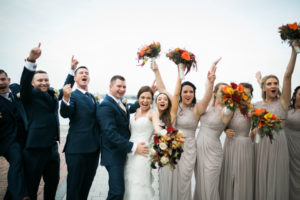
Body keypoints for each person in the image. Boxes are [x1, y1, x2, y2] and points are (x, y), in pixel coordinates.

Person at [20, 43, 76, 200]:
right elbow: (24, 81)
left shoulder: (52, 94)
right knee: (31, 186)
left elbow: (64, 89)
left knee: (52, 184)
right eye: (40, 80)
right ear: (32, 83)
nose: (44, 82)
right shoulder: (28, 96)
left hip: (52, 149)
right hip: (34, 150)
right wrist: (31, 60)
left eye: (46, 80)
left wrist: (72, 71)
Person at [253, 40, 298, 200]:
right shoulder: (256, 105)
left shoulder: (283, 103)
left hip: (278, 144)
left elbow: (287, 75)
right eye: (270, 83)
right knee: (262, 179)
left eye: (276, 83)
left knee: (277, 180)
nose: (274, 85)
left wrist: (294, 50)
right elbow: (252, 130)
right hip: (260, 146)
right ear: (263, 87)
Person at [96, 75, 147, 200]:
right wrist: (133, 147)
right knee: (117, 192)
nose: (122, 89)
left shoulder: (119, 102)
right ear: (110, 87)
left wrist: (147, 93)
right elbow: (110, 133)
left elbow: (130, 108)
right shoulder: (106, 106)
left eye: (124, 87)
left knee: (118, 190)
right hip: (113, 155)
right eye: (118, 86)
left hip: (121, 153)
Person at [60, 66, 101, 200]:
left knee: (86, 186)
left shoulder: (92, 97)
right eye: (81, 73)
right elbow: (65, 113)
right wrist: (65, 99)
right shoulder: (72, 95)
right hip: (77, 150)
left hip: (93, 150)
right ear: (75, 78)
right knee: (74, 187)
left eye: (86, 73)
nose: (84, 75)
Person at [193, 81, 231, 200]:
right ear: (215, 92)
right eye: (222, 90)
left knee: (210, 184)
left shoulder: (228, 109)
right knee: (200, 183)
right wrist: (211, 80)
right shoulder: (208, 104)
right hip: (199, 148)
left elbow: (225, 121)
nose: (224, 93)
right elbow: (207, 88)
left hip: (213, 150)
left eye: (227, 91)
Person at [124, 86, 161, 200]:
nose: (145, 100)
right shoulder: (134, 111)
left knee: (139, 184)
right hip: (130, 152)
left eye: (148, 98)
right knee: (129, 183)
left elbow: (157, 127)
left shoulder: (153, 113)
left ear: (152, 100)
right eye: (142, 97)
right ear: (138, 98)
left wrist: (163, 135)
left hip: (143, 153)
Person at [219, 82, 254, 200]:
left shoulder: (252, 109)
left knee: (243, 177)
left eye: (248, 95)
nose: (246, 97)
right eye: (243, 94)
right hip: (231, 145)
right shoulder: (231, 107)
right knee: (230, 176)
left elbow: (255, 129)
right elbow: (222, 123)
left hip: (245, 146)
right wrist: (226, 130)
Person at [0, 69, 29, 200]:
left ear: (9, 80)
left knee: (25, 167)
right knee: (17, 160)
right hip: (7, 141)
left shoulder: (16, 88)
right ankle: (21, 196)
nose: (0, 83)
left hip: (25, 137)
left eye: (2, 79)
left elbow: (30, 85)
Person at [284, 86, 300, 200]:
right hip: (284, 145)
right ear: (295, 96)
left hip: (298, 146)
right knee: (284, 175)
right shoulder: (286, 109)